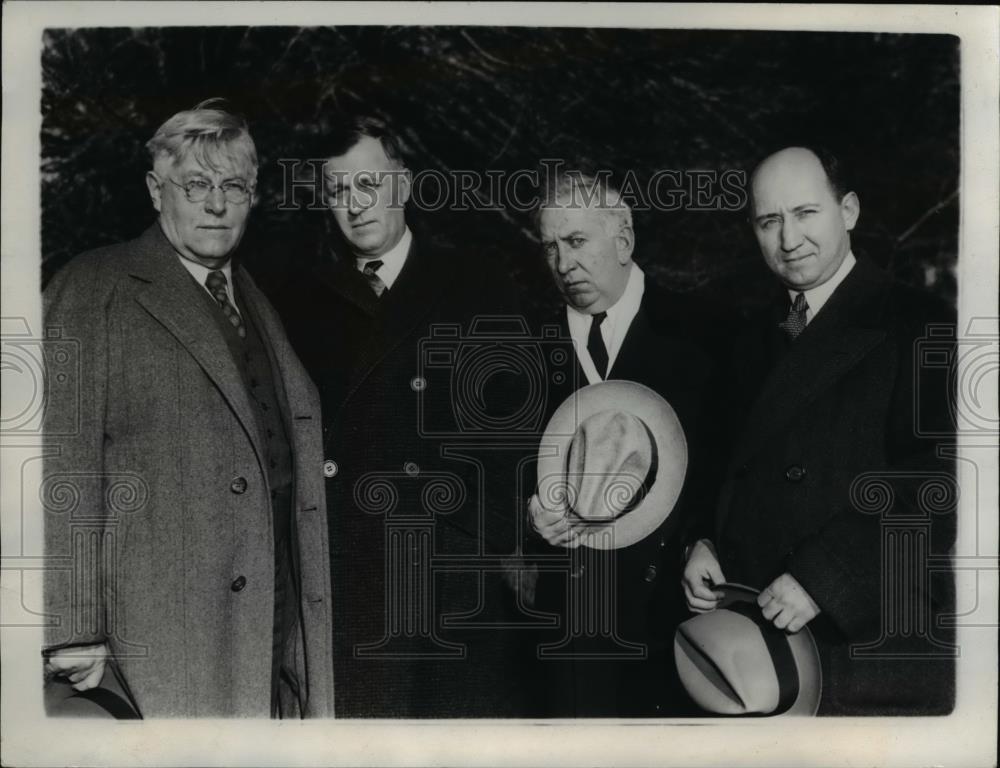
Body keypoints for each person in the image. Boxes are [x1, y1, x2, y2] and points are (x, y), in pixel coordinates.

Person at [41, 100, 335, 718]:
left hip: (271, 625)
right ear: (156, 190)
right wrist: (71, 625)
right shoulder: (95, 286)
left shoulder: (257, 298)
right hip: (157, 637)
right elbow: (56, 461)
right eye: (196, 184)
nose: (216, 203)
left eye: (234, 186)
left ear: (253, 197)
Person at [681, 146, 956, 715]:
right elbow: (722, 466)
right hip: (761, 652)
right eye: (769, 220)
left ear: (848, 211)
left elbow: (937, 484)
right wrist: (703, 540)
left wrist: (824, 579)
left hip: (867, 640)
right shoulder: (745, 338)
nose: (789, 239)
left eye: (806, 213)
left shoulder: (921, 322)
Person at [276, 115, 523, 717]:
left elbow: (519, 428)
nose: (357, 207)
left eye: (370, 185)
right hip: (355, 581)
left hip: (456, 578)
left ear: (404, 185)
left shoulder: (478, 284)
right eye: (339, 193)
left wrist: (483, 538)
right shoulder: (297, 302)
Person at [525, 171, 721, 717]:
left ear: (624, 240)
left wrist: (705, 540)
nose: (564, 265)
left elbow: (733, 470)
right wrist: (528, 513)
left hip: (674, 629)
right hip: (568, 634)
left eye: (577, 242)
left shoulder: (708, 332)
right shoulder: (525, 345)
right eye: (550, 248)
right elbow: (497, 471)